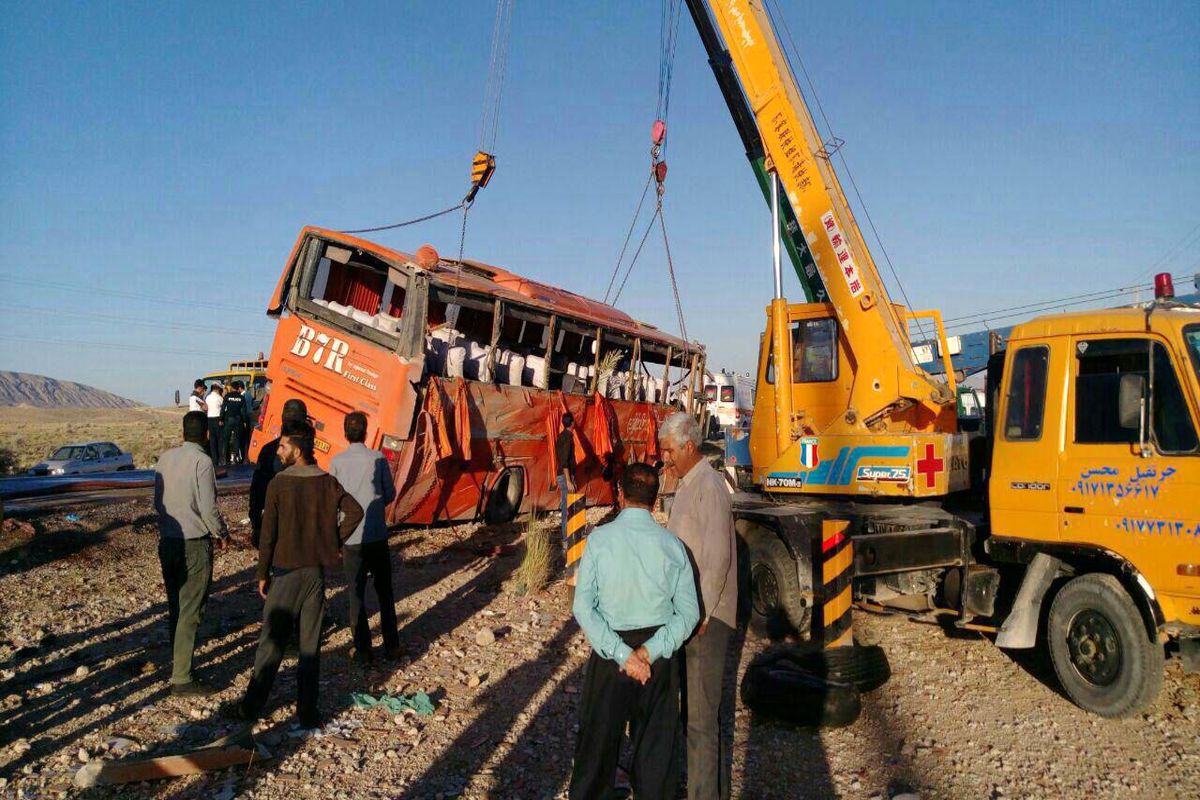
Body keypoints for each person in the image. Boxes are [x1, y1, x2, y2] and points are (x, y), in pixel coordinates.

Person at [569, 463, 699, 800]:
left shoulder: (599, 540)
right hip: (658, 657)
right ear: (655, 502)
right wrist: (647, 653)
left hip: (610, 653)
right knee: (657, 751)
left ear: (620, 495)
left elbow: (583, 607)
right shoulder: (674, 547)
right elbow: (688, 614)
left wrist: (624, 654)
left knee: (597, 748)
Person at [227, 421, 363, 729]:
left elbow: (268, 535)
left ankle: (251, 707)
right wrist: (333, 540)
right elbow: (356, 511)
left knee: (271, 643)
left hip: (286, 573)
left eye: (283, 446)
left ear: (297, 450)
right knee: (309, 645)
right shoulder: (326, 482)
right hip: (314, 573)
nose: (279, 450)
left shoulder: (279, 483)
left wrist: (262, 572)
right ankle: (307, 712)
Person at [659, 412, 738, 800]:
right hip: (690, 616)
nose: (665, 458)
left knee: (702, 722)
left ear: (688, 446)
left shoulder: (709, 486)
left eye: (669, 450)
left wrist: (702, 613)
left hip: (706, 619)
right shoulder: (689, 484)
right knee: (694, 716)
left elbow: (718, 557)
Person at [153, 410, 229, 695]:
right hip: (193, 543)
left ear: (184, 432)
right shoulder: (203, 461)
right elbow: (208, 508)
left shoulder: (164, 458)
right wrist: (222, 533)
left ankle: (179, 663)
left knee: (176, 605)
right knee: (191, 609)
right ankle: (182, 678)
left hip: (168, 540)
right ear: (206, 435)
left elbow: (157, 503)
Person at [329, 411, 399, 662]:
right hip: (377, 535)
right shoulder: (378, 459)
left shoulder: (336, 462)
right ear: (366, 432)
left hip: (350, 539)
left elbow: (333, 502)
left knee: (355, 593)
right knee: (385, 591)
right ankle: (392, 644)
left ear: (345, 433)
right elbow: (389, 493)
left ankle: (363, 649)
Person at [249, 398, 309, 548]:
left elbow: (257, 489)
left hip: (275, 524)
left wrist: (256, 522)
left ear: (282, 419)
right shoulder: (306, 454)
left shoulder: (268, 451)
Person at [556, 412, 577, 537]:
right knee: (568, 507)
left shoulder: (561, 436)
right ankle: (567, 537)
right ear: (572, 423)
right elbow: (564, 461)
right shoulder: (568, 438)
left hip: (563, 475)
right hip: (566, 476)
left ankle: (568, 535)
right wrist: (569, 480)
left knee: (567, 505)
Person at [221, 381, 251, 465]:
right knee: (237, 439)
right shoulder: (241, 398)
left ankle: (225, 459)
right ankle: (236, 458)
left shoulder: (227, 396)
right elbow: (244, 411)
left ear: (231, 388)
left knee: (226, 439)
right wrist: (245, 421)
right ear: (238, 388)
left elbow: (223, 408)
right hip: (238, 420)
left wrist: (221, 419)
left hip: (228, 419)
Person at [204, 383, 224, 464]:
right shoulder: (219, 398)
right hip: (218, 419)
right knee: (220, 440)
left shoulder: (207, 397)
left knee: (212, 440)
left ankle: (214, 460)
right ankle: (220, 460)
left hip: (209, 419)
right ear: (218, 389)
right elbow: (223, 408)